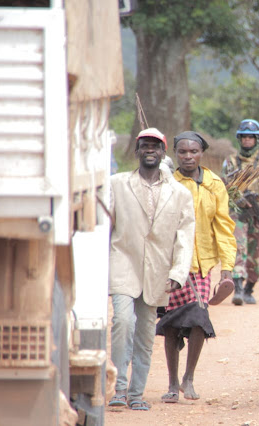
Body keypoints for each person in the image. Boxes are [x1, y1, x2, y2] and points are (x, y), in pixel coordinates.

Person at [108, 127, 195, 411]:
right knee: (122, 321)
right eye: (144, 145)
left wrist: (178, 273)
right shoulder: (117, 184)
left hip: (158, 271)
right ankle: (118, 387)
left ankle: (136, 394)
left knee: (145, 333)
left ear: (162, 153)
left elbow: (185, 237)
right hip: (123, 261)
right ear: (137, 151)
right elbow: (104, 225)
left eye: (155, 147)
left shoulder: (180, 193)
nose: (149, 150)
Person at [156, 131, 237, 403]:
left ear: (202, 154)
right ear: (176, 154)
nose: (188, 157)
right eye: (182, 152)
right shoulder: (166, 182)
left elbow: (224, 227)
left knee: (199, 318)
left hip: (201, 265)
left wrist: (227, 268)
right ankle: (171, 383)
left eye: (193, 152)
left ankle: (188, 378)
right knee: (170, 324)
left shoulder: (214, 184)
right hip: (171, 264)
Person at [221, 119, 259, 305]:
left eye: (251, 137)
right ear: (239, 139)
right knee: (239, 247)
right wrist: (238, 201)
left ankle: (249, 289)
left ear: (257, 139)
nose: (247, 140)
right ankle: (237, 287)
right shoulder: (230, 162)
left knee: (256, 253)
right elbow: (223, 189)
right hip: (237, 213)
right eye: (244, 137)